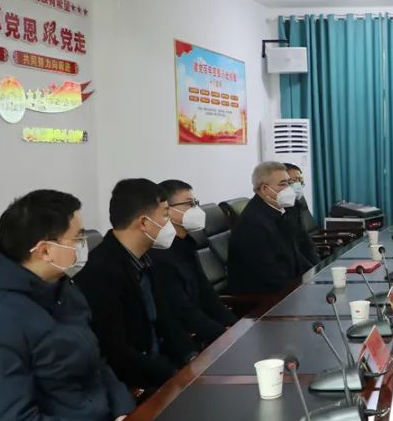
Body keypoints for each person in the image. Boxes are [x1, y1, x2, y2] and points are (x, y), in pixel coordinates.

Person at [0, 190, 134, 421]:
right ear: (45, 250)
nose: (83, 246)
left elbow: (96, 364)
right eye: (77, 238)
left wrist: (124, 410)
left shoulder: (61, 291)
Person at [77, 179, 198, 391]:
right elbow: (116, 350)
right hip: (137, 382)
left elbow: (165, 319)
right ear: (143, 223)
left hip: (164, 367)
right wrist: (172, 376)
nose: (169, 223)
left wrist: (192, 357)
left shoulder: (146, 258)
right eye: (165, 215)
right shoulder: (100, 272)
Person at [148, 180, 237, 348]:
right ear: (167, 210)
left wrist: (234, 326)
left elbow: (207, 294)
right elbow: (182, 310)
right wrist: (221, 333)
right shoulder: (160, 253)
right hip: (186, 340)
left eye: (196, 203)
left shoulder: (187, 244)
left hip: (206, 328)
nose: (196, 209)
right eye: (189, 204)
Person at [227, 161, 310, 295]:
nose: (289, 188)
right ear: (265, 189)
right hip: (263, 299)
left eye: (289, 183)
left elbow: (296, 256)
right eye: (283, 184)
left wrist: (315, 276)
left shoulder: (280, 211)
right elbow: (269, 275)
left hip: (288, 288)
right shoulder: (252, 223)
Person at [283, 162, 320, 266]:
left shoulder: (296, 204)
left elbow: (304, 239)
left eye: (300, 180)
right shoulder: (280, 210)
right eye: (294, 180)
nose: (298, 184)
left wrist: (317, 265)